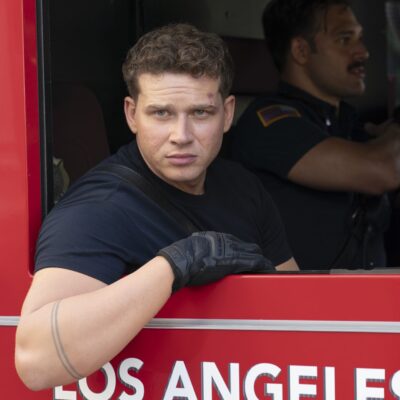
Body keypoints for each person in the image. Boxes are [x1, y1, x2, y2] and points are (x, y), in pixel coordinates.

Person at [15, 23, 298, 391]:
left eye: (200, 113)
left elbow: (296, 311)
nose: (181, 135)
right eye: (161, 113)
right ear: (132, 114)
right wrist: (176, 263)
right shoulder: (99, 210)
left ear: (227, 114)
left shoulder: (244, 188)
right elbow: (36, 363)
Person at [231, 0, 400, 270]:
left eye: (360, 38)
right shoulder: (271, 124)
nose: (363, 52)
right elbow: (384, 169)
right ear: (301, 50)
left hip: (370, 294)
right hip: (300, 296)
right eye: (344, 39)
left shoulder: (349, 124)